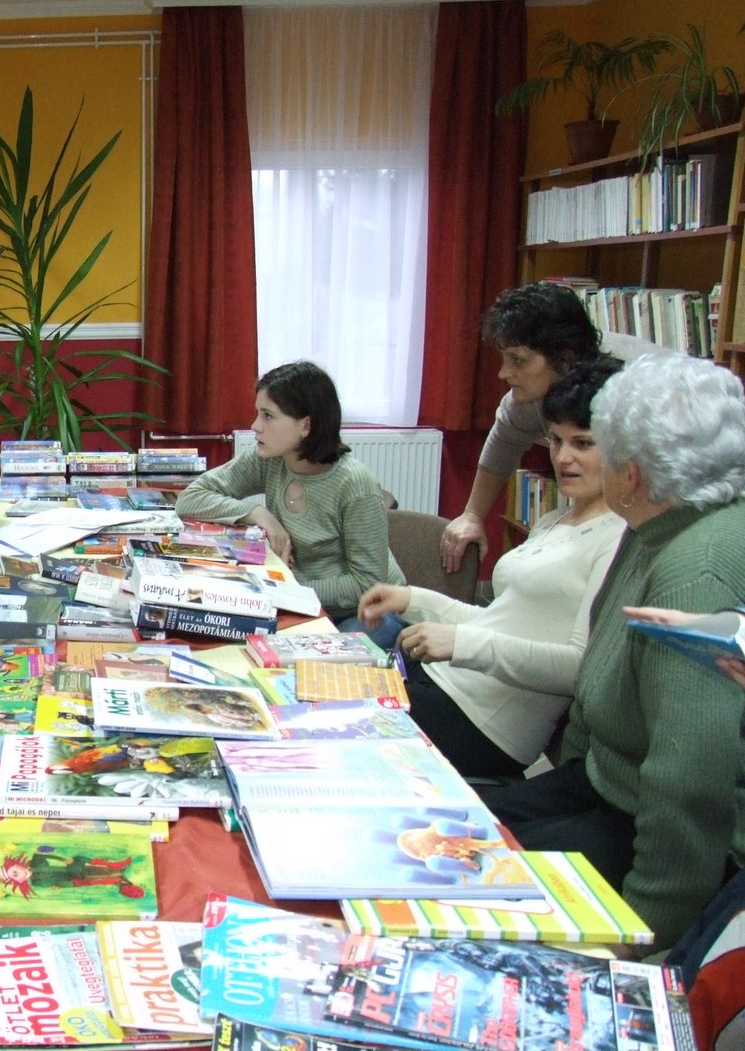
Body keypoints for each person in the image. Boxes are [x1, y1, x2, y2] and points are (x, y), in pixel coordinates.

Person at [480, 352, 745, 949]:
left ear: (634, 474)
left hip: (649, 829)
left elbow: (690, 780)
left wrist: (643, 931)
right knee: (459, 831)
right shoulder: (655, 524)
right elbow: (601, 673)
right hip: (603, 782)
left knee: (463, 875)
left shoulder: (694, 569)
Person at [357, 358, 625, 785]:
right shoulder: (554, 519)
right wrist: (413, 600)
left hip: (482, 727)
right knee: (304, 695)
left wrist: (461, 643)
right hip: (441, 686)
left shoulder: (618, 539)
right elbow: (501, 622)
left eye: (583, 443)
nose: (563, 457)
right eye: (556, 440)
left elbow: (579, 668)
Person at [176, 361, 404, 644]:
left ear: (306, 425)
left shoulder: (355, 484)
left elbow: (367, 584)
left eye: (268, 416)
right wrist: (256, 512)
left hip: (365, 611)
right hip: (299, 600)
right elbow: (190, 498)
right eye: (258, 413)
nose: (255, 426)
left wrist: (287, 588)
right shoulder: (271, 458)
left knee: (300, 658)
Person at [439, 283, 601, 572]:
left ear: (565, 359)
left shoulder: (623, 399)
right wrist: (472, 514)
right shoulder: (527, 401)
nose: (503, 373)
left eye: (517, 360)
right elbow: (502, 446)